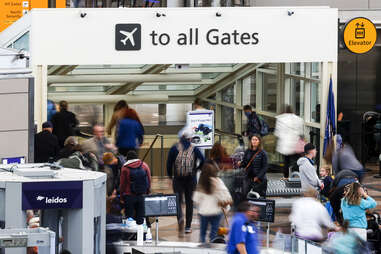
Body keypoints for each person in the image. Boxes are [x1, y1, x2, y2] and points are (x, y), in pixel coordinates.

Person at [167, 127, 205, 235]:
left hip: (178, 179)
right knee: (189, 202)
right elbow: (203, 160)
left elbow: (169, 163)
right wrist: (197, 169)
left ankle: (180, 219)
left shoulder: (174, 148)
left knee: (178, 202)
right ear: (190, 138)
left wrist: (170, 176)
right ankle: (188, 227)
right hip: (191, 179)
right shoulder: (194, 148)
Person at [193, 161, 232, 243]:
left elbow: (196, 199)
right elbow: (226, 195)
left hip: (204, 212)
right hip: (216, 212)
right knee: (213, 234)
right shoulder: (218, 181)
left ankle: (202, 249)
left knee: (202, 233)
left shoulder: (201, 183)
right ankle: (212, 248)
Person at [120, 150, 151, 226]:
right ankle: (141, 235)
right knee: (141, 218)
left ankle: (131, 236)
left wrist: (121, 196)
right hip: (142, 195)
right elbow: (149, 180)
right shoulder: (144, 165)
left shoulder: (125, 168)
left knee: (130, 219)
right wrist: (147, 192)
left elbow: (122, 184)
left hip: (129, 196)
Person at [274, 105, 304, 178]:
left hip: (285, 145)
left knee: (286, 162)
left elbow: (277, 133)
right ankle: (296, 176)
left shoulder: (281, 119)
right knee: (296, 161)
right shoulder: (298, 119)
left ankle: (286, 177)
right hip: (295, 144)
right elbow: (301, 132)